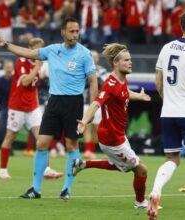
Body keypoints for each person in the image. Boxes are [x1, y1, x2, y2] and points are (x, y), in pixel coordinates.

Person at [0, 17, 98, 199]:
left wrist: (92, 108)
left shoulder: (84, 54)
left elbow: (93, 81)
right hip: (54, 102)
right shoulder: (53, 50)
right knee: (41, 143)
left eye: (77, 31)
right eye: (71, 31)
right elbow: (28, 53)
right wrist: (6, 44)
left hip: (74, 103)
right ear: (63, 32)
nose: (75, 35)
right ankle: (35, 190)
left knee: (71, 145)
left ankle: (66, 189)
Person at [147, 11, 185, 220]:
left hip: (168, 112)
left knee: (172, 159)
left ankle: (156, 191)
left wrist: (168, 101)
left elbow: (158, 81)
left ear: (181, 26)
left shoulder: (166, 47)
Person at [73, 43, 151, 209]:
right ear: (116, 63)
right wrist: (85, 121)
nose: (130, 63)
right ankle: (140, 202)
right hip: (111, 137)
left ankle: (83, 164)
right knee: (141, 170)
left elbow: (124, 93)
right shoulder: (109, 85)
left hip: (117, 134)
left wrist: (139, 96)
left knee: (119, 165)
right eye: (126, 60)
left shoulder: (122, 79)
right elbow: (95, 104)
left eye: (130, 59)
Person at [0, 38, 62, 180]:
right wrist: (37, 67)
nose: (39, 51)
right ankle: (3, 169)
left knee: (41, 138)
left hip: (32, 106)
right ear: (30, 48)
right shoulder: (22, 61)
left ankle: (47, 170)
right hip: (17, 106)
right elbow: (26, 81)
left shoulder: (44, 64)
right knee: (11, 136)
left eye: (41, 48)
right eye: (36, 48)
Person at [82, 50, 108, 159]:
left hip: (100, 103)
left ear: (98, 59)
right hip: (86, 102)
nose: (93, 58)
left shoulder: (102, 70)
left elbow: (106, 84)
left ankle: (92, 150)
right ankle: (87, 150)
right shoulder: (83, 70)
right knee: (87, 127)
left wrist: (95, 78)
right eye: (91, 56)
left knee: (98, 129)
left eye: (95, 56)